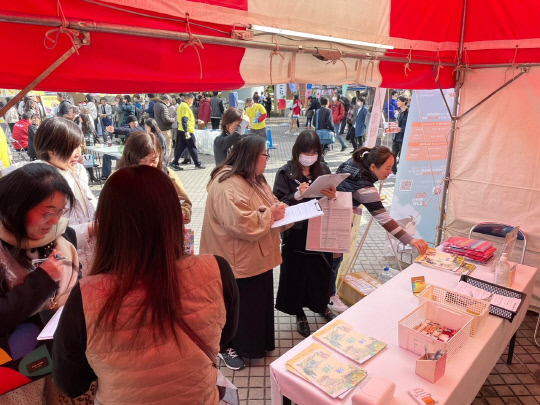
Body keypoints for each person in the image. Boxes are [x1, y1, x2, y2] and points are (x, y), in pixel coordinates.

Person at [53, 165, 238, 404]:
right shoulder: (217, 270)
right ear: (172, 216)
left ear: (108, 225)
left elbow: (71, 383)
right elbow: (225, 337)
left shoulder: (87, 295)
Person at [200, 136, 287, 369]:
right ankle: (226, 347)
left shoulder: (254, 178)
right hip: (236, 260)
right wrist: (271, 214)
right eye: (264, 155)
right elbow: (241, 224)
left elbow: (271, 202)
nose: (268, 159)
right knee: (237, 307)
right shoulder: (226, 183)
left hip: (257, 256)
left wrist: (281, 210)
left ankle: (259, 344)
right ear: (250, 157)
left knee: (257, 305)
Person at [0, 163, 79, 404]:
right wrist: (42, 280)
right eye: (47, 212)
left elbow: (77, 290)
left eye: (60, 211)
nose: (54, 220)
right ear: (17, 206)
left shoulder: (62, 237)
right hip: (14, 374)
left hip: (58, 361)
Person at [273, 129, 337, 337]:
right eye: (305, 151)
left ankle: (320, 305)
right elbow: (277, 203)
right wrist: (297, 195)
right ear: (297, 151)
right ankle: (298, 312)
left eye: (314, 151)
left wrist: (332, 195)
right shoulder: (285, 172)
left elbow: (332, 199)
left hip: (320, 228)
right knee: (296, 273)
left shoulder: (324, 169)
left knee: (321, 270)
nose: (309, 156)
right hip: (296, 232)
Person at [34, 117, 97, 276]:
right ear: (51, 150)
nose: (78, 153)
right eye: (72, 147)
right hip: (65, 266)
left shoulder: (78, 171)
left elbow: (89, 205)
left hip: (91, 259)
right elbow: (45, 233)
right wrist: (90, 229)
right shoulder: (41, 183)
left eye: (79, 146)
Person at [336, 146, 428, 255]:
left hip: (330, 220)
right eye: (387, 168)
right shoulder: (364, 186)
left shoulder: (354, 163)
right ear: (374, 167)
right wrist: (411, 240)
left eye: (392, 167)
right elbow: (383, 218)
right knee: (332, 263)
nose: (390, 172)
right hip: (335, 228)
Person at [116, 131, 192, 223]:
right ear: (131, 157)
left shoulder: (167, 175)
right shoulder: (118, 179)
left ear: (159, 155)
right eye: (143, 160)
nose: (149, 165)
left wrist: (179, 214)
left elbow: (185, 203)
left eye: (153, 159)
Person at [170, 93, 205, 170]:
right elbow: (184, 119)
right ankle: (197, 164)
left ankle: (174, 163)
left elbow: (185, 119)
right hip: (187, 131)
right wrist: (186, 131)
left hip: (181, 130)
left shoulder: (180, 106)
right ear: (190, 99)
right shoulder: (185, 107)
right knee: (192, 147)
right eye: (192, 100)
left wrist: (196, 121)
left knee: (181, 148)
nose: (192, 102)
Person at [392, 95, 409, 175]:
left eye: (399, 101)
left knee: (402, 157)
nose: (397, 102)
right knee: (392, 155)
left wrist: (401, 129)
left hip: (402, 139)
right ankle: (394, 171)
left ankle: (402, 172)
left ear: (404, 102)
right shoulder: (399, 112)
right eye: (397, 101)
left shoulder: (408, 113)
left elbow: (409, 127)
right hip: (396, 137)